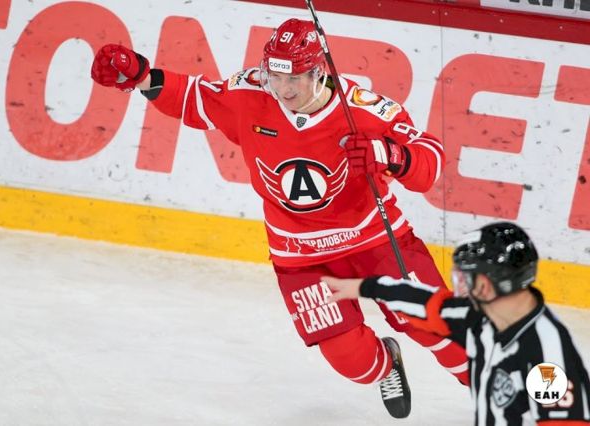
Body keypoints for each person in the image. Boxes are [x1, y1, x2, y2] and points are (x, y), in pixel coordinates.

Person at [90, 18, 468, 418]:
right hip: (300, 257)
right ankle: (387, 364)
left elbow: (430, 164)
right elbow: (193, 98)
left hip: (374, 240)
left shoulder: (364, 111)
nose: (284, 90)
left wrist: (392, 155)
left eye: (295, 80)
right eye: (276, 77)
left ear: (318, 72)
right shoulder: (251, 94)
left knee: (434, 326)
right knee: (353, 363)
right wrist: (140, 76)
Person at [324, 222, 590, 425]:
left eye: (470, 277)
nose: (462, 285)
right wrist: (368, 286)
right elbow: (427, 303)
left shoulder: (545, 352)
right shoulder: (479, 316)